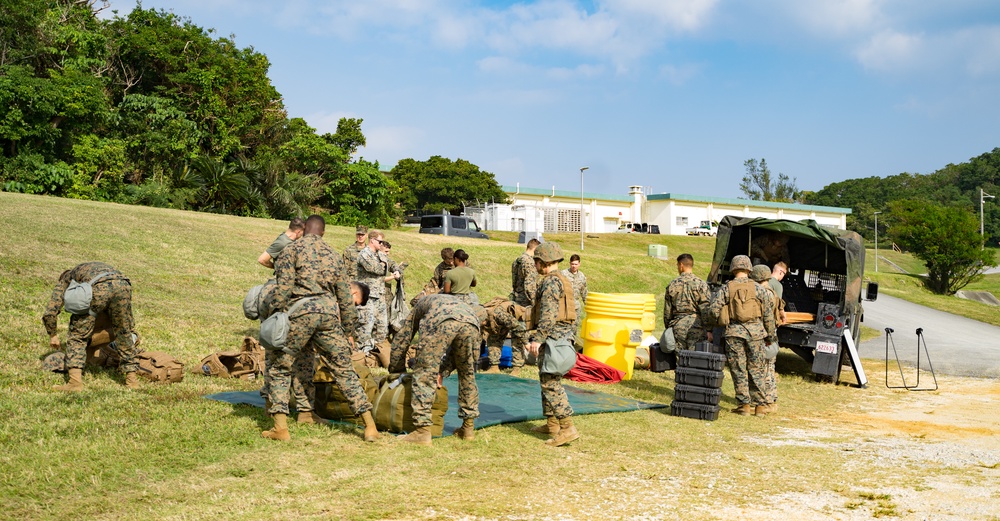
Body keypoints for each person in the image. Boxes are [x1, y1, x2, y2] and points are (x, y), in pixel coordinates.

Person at [263, 215, 378, 442]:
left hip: (300, 314)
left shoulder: (291, 250)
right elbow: (345, 298)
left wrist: (274, 313)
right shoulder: (334, 255)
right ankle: (369, 426)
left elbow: (283, 289)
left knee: (280, 367)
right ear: (323, 233)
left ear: (304, 229)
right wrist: (348, 331)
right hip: (327, 316)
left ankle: (280, 428)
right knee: (342, 370)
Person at [388, 293, 481, 445]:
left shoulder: (419, 307)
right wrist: (442, 371)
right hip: (471, 322)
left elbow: (402, 340)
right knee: (467, 374)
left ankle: (422, 431)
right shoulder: (451, 301)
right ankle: (468, 428)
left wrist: (396, 372)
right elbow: (455, 353)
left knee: (424, 374)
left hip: (441, 321)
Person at [43, 262, 141, 390]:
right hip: (123, 284)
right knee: (123, 333)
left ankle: (74, 383)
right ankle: (132, 382)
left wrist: (53, 335)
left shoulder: (66, 279)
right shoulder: (87, 269)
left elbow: (50, 312)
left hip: (99, 288)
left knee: (77, 337)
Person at [526, 242, 580, 447]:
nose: (535, 265)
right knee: (545, 377)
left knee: (550, 382)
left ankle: (567, 428)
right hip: (562, 336)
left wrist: (538, 339)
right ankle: (551, 423)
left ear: (543, 262)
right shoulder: (563, 279)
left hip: (553, 337)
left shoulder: (550, 282)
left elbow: (548, 314)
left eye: (537, 261)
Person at [709, 255, 776, 417]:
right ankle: (760, 406)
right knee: (757, 369)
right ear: (749, 268)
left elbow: (713, 310)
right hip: (756, 334)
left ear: (733, 269)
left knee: (738, 369)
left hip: (733, 333)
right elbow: (768, 315)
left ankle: (744, 405)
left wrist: (717, 324)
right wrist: (770, 337)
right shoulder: (759, 289)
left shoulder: (726, 288)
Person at [356, 229, 400, 351]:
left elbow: (391, 263)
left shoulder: (379, 254)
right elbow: (377, 269)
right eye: (380, 242)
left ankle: (377, 353)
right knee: (366, 326)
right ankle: (361, 354)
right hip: (367, 297)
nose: (381, 244)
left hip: (380, 295)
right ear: (372, 240)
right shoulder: (364, 254)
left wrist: (396, 269)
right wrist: (384, 266)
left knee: (382, 327)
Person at [662, 253, 713, 350]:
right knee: (695, 358)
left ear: (681, 265)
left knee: (680, 358)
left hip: (678, 326)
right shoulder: (701, 284)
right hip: (696, 326)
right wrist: (709, 329)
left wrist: (668, 327)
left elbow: (667, 312)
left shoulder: (672, 285)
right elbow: (705, 308)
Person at [752, 264, 782, 413]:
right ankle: (770, 401)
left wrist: (769, 337)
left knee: (764, 370)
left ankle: (767, 402)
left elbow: (768, 319)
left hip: (764, 336)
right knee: (769, 369)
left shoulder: (763, 293)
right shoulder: (772, 292)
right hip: (769, 334)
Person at [508, 238, 540, 374]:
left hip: (516, 300)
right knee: (522, 333)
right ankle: (518, 363)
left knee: (517, 331)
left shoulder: (517, 260)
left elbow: (515, 282)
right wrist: (535, 302)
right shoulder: (529, 262)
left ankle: (516, 363)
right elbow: (529, 285)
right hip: (525, 303)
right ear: (535, 249)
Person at [477, 297, 531, 374]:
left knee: (517, 340)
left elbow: (517, 327)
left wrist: (526, 343)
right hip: (499, 322)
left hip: (517, 320)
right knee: (493, 339)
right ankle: (494, 367)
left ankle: (517, 368)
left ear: (484, 319)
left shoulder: (500, 315)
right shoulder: (480, 314)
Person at [561, 254, 588, 348]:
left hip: (575, 306)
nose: (574, 266)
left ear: (579, 264)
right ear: (569, 263)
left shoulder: (581, 276)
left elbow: (584, 292)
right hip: (565, 305)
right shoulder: (563, 274)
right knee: (564, 326)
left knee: (574, 327)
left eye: (576, 264)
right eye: (572, 264)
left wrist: (588, 306)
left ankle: (571, 346)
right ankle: (563, 345)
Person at [769, 261, 788, 325]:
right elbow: (779, 304)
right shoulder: (778, 285)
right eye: (784, 274)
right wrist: (783, 317)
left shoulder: (762, 280)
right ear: (780, 272)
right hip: (769, 317)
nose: (783, 277)